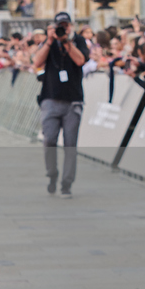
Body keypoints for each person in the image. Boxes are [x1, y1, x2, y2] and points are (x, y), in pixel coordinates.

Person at [32, 11, 89, 198]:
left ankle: (66, 184)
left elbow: (80, 60)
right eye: (59, 26)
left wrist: (66, 41)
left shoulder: (78, 41)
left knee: (70, 145)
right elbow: (37, 62)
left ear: (70, 26)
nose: (62, 29)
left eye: (65, 25)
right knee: (49, 140)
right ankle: (52, 174)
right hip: (50, 98)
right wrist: (50, 41)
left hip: (73, 101)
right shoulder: (49, 42)